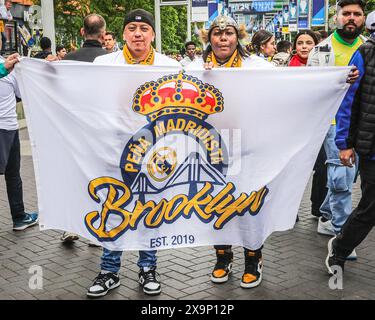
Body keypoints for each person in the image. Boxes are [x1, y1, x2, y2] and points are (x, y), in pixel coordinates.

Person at [89, 8, 180, 298]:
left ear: (153, 34)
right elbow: (80, 92)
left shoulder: (170, 66)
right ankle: (109, 270)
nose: (137, 34)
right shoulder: (103, 63)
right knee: (113, 209)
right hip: (114, 149)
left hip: (154, 151)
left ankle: (147, 268)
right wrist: (44, 70)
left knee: (149, 211)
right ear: (122, 34)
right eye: (131, 29)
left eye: (143, 30)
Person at [187, 14, 273, 289]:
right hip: (209, 149)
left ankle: (253, 259)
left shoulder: (257, 66)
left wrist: (337, 79)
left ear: (238, 37)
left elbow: (288, 88)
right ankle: (222, 258)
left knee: (249, 206)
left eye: (229, 33)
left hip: (248, 147)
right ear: (208, 38)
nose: (223, 38)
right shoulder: (194, 67)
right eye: (217, 33)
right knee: (215, 204)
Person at [307, 0, 366, 258]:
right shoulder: (321, 50)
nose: (351, 18)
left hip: (364, 124)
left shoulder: (368, 47)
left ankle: (326, 214)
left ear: (363, 18)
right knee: (342, 177)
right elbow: (309, 89)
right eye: (346, 14)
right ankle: (341, 235)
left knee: (346, 175)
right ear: (336, 18)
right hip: (333, 123)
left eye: (356, 14)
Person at [326, 11, 375, 274]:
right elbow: (349, 102)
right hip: (372, 147)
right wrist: (344, 142)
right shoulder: (366, 52)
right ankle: (340, 249)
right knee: (370, 208)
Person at [60, 14, 107, 244]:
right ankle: (96, 228)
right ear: (103, 34)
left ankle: (71, 226)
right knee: (101, 179)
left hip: (74, 130)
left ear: (82, 32)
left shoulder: (67, 60)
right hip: (102, 131)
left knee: (74, 178)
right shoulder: (111, 61)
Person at [0, 53, 38, 231]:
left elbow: (21, 92)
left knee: (13, 174)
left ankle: (19, 217)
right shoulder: (5, 66)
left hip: (10, 127)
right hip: (5, 129)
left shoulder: (8, 66)